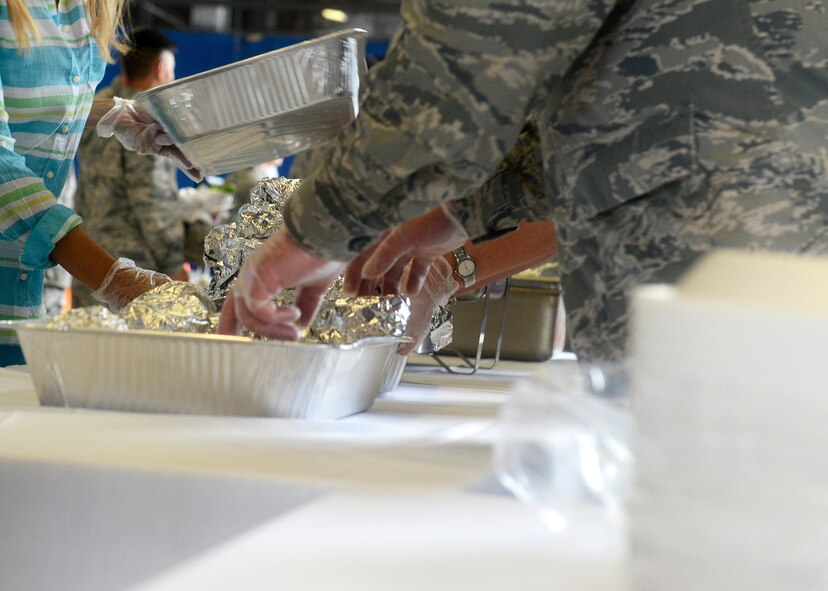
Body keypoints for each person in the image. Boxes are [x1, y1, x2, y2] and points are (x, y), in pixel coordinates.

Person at [218, 1, 828, 363]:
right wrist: (464, 211)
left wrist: (320, 227)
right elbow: (625, 85)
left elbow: (468, 56)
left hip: (734, 229)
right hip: (760, 208)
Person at [0, 0, 198, 366]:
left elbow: (29, 99)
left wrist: (116, 115)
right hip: (77, 262)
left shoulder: (84, 8)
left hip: (26, 294)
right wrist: (115, 278)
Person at [73, 28, 188, 308]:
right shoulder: (150, 121)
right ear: (160, 69)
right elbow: (152, 201)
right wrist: (174, 263)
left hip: (86, 261)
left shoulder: (96, 106)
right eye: (171, 71)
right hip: (134, 272)